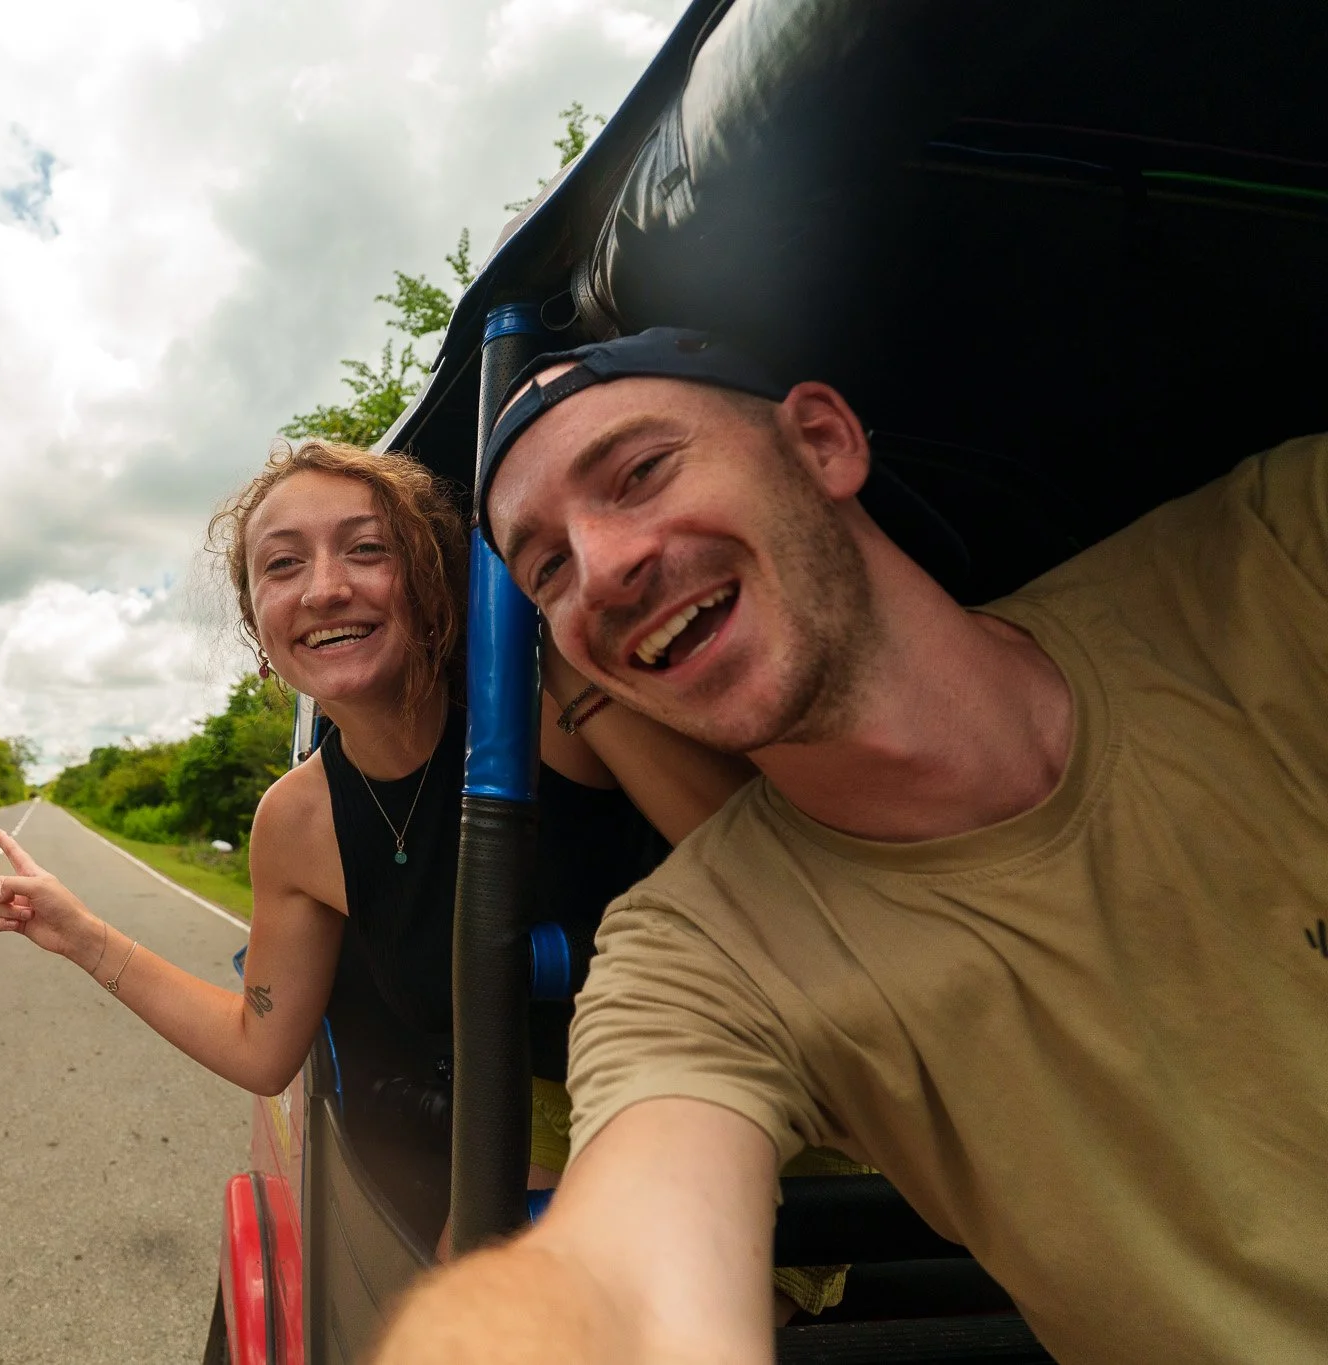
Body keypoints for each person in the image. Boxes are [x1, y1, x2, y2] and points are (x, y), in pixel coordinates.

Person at [374, 327, 1328, 1365]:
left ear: (822, 443)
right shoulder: (694, 960)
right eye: (545, 570)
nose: (600, 570)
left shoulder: (1278, 561)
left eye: (640, 472)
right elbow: (627, 1269)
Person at [0, 438, 750, 1239]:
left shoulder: (551, 703)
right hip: (533, 1135)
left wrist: (572, 673)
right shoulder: (298, 822)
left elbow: (763, 869)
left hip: (740, 1092)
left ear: (431, 577)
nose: (324, 588)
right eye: (282, 566)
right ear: (259, 630)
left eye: (368, 550)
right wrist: (78, 935)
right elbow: (262, 1047)